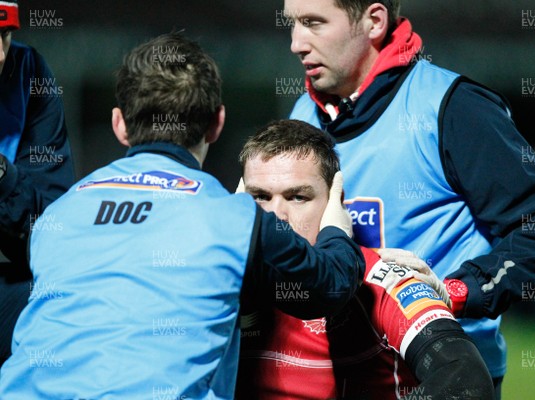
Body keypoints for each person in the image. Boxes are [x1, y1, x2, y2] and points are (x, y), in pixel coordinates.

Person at [0, 33, 365, 399]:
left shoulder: (56, 216)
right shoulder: (234, 220)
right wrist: (335, 230)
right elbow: (329, 285)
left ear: (119, 125)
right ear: (217, 123)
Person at [283, 0, 535, 397]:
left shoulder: (452, 107)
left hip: (445, 378)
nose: (295, 42)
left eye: (313, 23)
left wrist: (456, 291)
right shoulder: (301, 116)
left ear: (373, 22)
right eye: (292, 24)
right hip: (336, 379)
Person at [236, 119, 494, 399]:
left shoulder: (382, 279)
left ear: (336, 203)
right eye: (260, 197)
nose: (277, 217)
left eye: (297, 197)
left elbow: (465, 380)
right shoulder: (219, 276)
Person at [0, 0, 75, 365]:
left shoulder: (28, 72)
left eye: (4, 35)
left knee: (65, 297)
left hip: (10, 282)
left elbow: (49, 236)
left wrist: (1, 173)